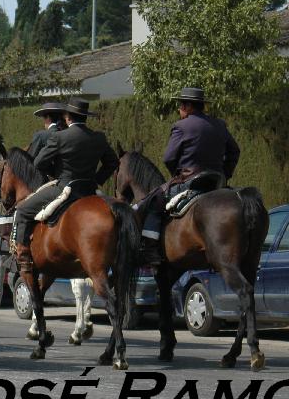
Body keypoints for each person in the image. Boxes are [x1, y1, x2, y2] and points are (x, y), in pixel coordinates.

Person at [12, 98, 118, 274]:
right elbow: (112, 162)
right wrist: (97, 179)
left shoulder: (60, 137)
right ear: (85, 117)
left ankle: (23, 257)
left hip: (64, 188)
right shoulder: (99, 137)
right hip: (90, 189)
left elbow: (38, 163)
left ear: (68, 117)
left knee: (23, 210)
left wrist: (56, 172)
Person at [140, 87, 241, 265]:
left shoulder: (181, 126)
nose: (179, 109)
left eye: (180, 105)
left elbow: (169, 157)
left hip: (191, 180)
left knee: (154, 203)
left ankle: (150, 251)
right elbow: (234, 151)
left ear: (188, 106)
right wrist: (225, 173)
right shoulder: (219, 124)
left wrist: (177, 175)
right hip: (217, 181)